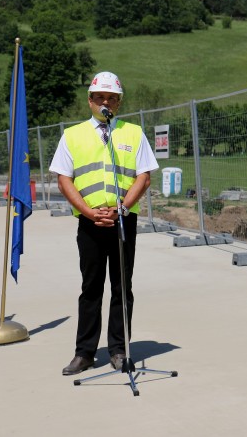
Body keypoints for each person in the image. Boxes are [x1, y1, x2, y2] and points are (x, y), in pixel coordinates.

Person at [49, 71, 159, 376]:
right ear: (90, 100)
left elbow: (144, 176)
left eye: (111, 98)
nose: (105, 102)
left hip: (123, 220)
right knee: (91, 287)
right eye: (100, 98)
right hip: (90, 222)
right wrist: (87, 211)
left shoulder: (133, 133)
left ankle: (119, 349)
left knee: (122, 287)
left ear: (119, 103)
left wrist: (121, 208)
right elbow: (63, 179)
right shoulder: (73, 135)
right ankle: (84, 353)